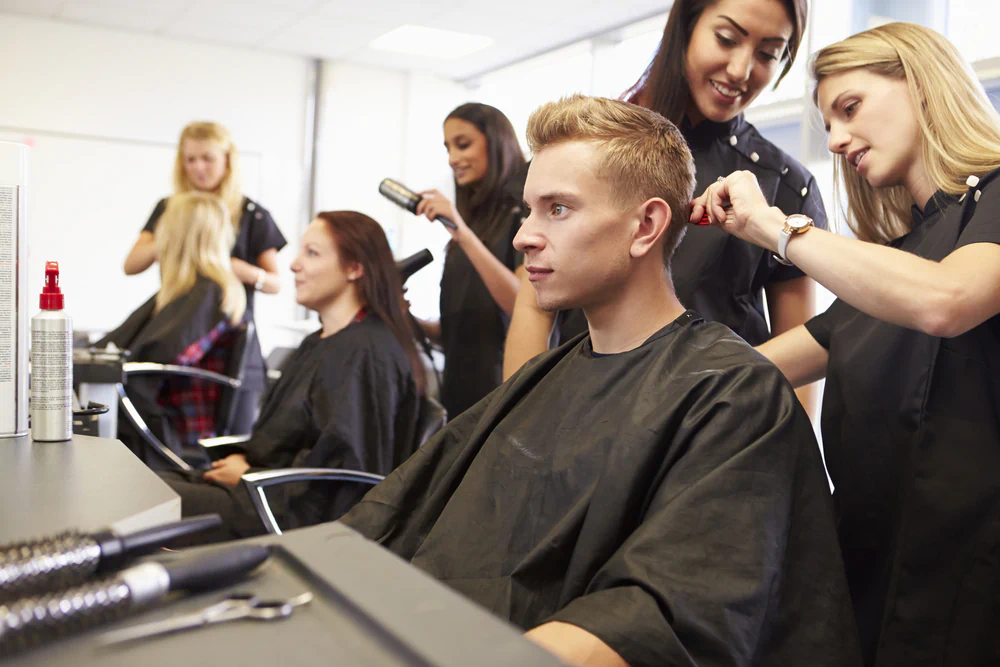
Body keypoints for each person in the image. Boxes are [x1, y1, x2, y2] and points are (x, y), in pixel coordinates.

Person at [339, 96, 862, 667]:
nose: (524, 237)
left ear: (646, 226)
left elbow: (657, 620)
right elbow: (390, 517)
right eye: (529, 212)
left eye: (558, 209)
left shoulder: (732, 398)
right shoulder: (546, 376)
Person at [692, 22, 1000, 666]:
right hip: (871, 591)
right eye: (828, 122)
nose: (834, 140)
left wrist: (774, 228)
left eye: (850, 108)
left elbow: (947, 300)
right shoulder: (892, 266)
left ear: (921, 84)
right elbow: (752, 370)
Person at [503, 0, 824, 415]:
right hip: (584, 410)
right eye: (727, 39)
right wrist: (519, 425)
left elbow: (803, 350)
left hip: (716, 424)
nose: (741, 70)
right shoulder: (587, 150)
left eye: (768, 54)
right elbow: (534, 301)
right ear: (686, 27)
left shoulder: (785, 183)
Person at [159, 211, 424, 543]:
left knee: (146, 501)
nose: (295, 265)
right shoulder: (320, 341)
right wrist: (247, 463)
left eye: (312, 253)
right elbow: (286, 438)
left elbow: (345, 476)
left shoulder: (365, 353)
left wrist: (251, 475)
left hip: (292, 514)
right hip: (266, 491)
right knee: (147, 484)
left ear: (354, 268)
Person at [124, 121, 287, 432]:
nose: (198, 168)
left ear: (227, 160)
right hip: (181, 337)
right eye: (190, 159)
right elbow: (131, 264)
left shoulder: (251, 214)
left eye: (208, 158)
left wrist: (238, 269)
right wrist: (178, 232)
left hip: (224, 342)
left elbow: (276, 283)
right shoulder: (169, 209)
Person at [100, 192, 247, 464]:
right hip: (163, 419)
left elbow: (157, 359)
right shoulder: (184, 291)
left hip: (178, 432)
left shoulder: (208, 293)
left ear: (176, 235)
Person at [413, 103, 526, 418]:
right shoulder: (470, 226)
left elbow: (523, 306)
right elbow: (458, 333)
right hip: (458, 399)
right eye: (448, 148)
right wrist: (410, 320)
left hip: (501, 398)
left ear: (497, 142)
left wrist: (462, 234)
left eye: (463, 145)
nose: (452, 158)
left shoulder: (522, 214)